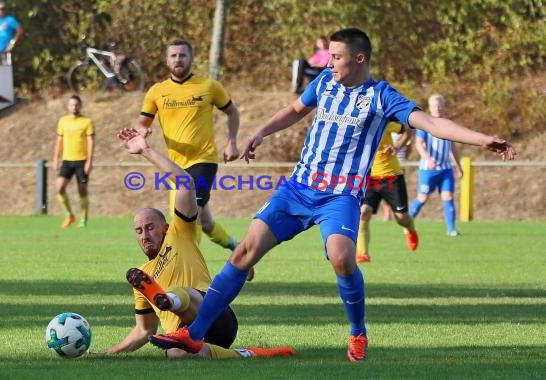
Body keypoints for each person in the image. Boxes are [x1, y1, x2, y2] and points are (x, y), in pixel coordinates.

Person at [149, 27, 516, 362]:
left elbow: (432, 123)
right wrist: (261, 132)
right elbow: (295, 109)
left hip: (340, 196)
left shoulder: (382, 96)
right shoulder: (325, 82)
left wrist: (483, 139)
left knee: (342, 258)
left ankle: (358, 333)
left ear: (359, 59)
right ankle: (194, 334)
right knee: (244, 251)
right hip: (298, 187)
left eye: (336, 57)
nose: (329, 62)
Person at [88, 128, 295, 360]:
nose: (145, 235)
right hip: (185, 336)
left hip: (214, 316)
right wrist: (107, 353)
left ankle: (169, 299)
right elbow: (143, 331)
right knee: (176, 354)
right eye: (139, 231)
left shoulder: (179, 233)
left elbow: (185, 182)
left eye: (150, 227)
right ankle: (247, 354)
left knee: (180, 294)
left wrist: (146, 150)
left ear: (165, 228)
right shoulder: (141, 275)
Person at [134, 39, 240, 253]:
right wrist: (142, 131)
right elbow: (142, 123)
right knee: (206, 223)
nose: (178, 59)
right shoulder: (157, 91)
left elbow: (232, 111)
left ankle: (185, 267)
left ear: (191, 58)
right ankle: (236, 248)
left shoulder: (208, 86)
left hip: (204, 161)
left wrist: (232, 142)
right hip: (175, 167)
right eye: (173, 55)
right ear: (166, 60)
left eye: (182, 55)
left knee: (192, 216)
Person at [356, 123, 418, 263]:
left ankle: (410, 228)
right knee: (363, 213)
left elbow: (409, 130)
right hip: (369, 178)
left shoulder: (385, 122)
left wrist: (396, 147)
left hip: (392, 176)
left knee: (401, 217)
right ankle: (363, 254)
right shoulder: (355, 124)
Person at [409, 94, 463, 236]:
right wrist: (428, 159)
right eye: (434, 105)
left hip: (445, 169)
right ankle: (407, 223)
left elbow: (453, 147)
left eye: (439, 105)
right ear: (430, 107)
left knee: (448, 197)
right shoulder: (425, 124)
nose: (437, 108)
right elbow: (419, 144)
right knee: (422, 197)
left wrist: (459, 166)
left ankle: (451, 230)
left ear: (443, 106)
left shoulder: (448, 124)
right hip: (428, 169)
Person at [52, 95, 95, 229]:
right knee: (59, 188)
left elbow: (91, 142)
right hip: (67, 160)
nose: (74, 107)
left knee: (82, 190)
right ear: (68, 106)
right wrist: (55, 159)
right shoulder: (63, 121)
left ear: (80, 106)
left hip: (81, 161)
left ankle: (83, 218)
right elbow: (59, 141)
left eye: (76, 105)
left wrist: (89, 161)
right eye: (71, 105)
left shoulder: (86, 122)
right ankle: (69, 214)